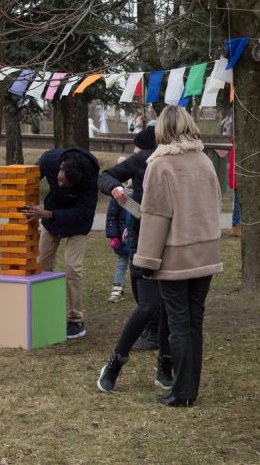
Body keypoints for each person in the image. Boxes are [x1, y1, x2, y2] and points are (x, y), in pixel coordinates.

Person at [133, 105, 223, 407]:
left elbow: (155, 216)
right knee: (194, 323)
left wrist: (146, 261)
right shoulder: (205, 161)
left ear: (162, 130)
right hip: (205, 252)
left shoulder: (161, 165)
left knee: (179, 325)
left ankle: (182, 392)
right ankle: (188, 388)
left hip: (175, 258)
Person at [97, 124, 174, 394]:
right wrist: (115, 188)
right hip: (144, 243)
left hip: (174, 244)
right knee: (149, 306)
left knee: (168, 308)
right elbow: (106, 175)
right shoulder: (143, 160)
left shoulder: (179, 161)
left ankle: (165, 367)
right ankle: (115, 363)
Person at [21, 148, 99, 340]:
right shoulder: (50, 160)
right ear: (61, 167)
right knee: (42, 265)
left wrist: (48, 213)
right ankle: (43, 312)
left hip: (77, 223)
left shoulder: (90, 179)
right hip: (52, 221)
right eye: (59, 178)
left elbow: (84, 213)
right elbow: (30, 179)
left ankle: (75, 320)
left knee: (72, 268)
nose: (60, 183)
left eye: (65, 183)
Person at [105, 156, 131, 303]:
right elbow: (111, 217)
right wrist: (113, 236)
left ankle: (140, 289)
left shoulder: (139, 193)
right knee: (121, 262)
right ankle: (117, 289)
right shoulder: (116, 196)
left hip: (134, 237)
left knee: (137, 265)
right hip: (121, 239)